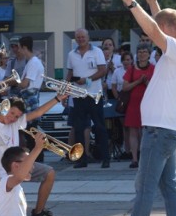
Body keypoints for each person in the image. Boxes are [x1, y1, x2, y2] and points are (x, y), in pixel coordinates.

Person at [101, 0, 176, 216]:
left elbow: (154, 29)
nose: (150, 39)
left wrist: (132, 2)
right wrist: (153, 2)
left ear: (167, 30)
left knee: (144, 186)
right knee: (169, 185)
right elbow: (159, 25)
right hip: (168, 129)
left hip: (160, 130)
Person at [0, 96, 67, 216]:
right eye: (12, 113)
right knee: (10, 215)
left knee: (49, 172)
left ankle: (38, 212)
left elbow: (38, 112)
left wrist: (57, 98)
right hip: (2, 172)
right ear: (4, 108)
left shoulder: (16, 122)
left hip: (21, 166)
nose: (13, 118)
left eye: (17, 116)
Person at [65, 28, 111, 168]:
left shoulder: (96, 52)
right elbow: (70, 73)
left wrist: (87, 80)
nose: (80, 39)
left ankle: (105, 158)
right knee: (79, 129)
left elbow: (103, 70)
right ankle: (82, 159)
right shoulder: (71, 54)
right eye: (78, 37)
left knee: (99, 127)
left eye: (83, 37)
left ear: (88, 37)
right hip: (78, 96)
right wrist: (65, 91)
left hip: (94, 95)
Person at [122, 43, 155, 168]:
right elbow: (125, 87)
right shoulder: (131, 69)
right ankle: (134, 159)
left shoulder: (153, 68)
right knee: (133, 131)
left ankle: (146, 157)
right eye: (140, 52)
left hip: (148, 103)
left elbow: (155, 87)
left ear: (148, 54)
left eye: (145, 52)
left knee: (147, 131)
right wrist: (138, 81)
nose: (142, 54)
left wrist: (145, 82)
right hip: (133, 103)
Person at [14, 36, 44, 123]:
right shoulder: (31, 62)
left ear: (24, 48)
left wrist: (13, 82)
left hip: (29, 99)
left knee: (28, 128)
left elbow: (24, 84)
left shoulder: (33, 63)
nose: (18, 50)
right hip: (28, 98)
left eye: (19, 48)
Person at [111, 51, 134, 160]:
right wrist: (118, 98)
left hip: (133, 98)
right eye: (124, 59)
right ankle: (127, 149)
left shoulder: (134, 70)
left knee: (134, 126)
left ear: (132, 60)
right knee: (125, 126)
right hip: (122, 99)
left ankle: (136, 149)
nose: (126, 62)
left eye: (128, 59)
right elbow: (114, 86)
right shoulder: (117, 71)